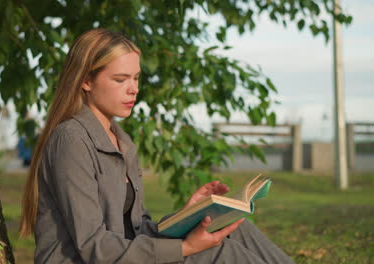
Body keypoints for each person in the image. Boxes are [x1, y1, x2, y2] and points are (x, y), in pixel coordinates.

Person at [19, 28, 295, 264]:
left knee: (234, 228)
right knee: (215, 251)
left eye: (136, 78)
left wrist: (188, 216)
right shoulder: (71, 140)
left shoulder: (121, 140)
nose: (133, 89)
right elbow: (94, 247)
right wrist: (185, 248)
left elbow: (137, 230)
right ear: (86, 81)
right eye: (120, 79)